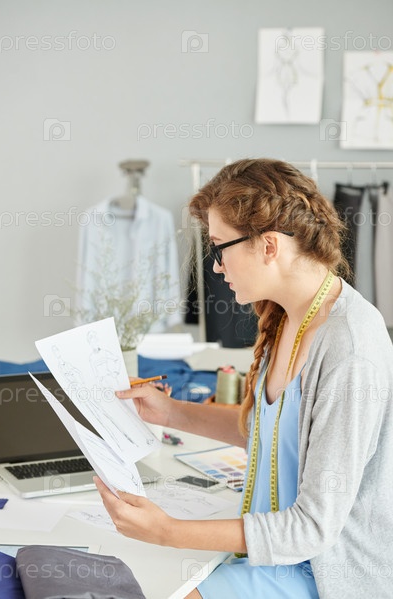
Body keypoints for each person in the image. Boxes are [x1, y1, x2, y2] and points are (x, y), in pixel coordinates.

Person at [94, 158, 393, 599]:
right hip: (276, 555)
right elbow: (270, 432)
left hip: (323, 575)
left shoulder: (349, 348)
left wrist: (168, 531)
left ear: (268, 245)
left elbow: (312, 529)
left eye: (220, 247)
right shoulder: (287, 315)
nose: (217, 267)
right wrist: (170, 412)